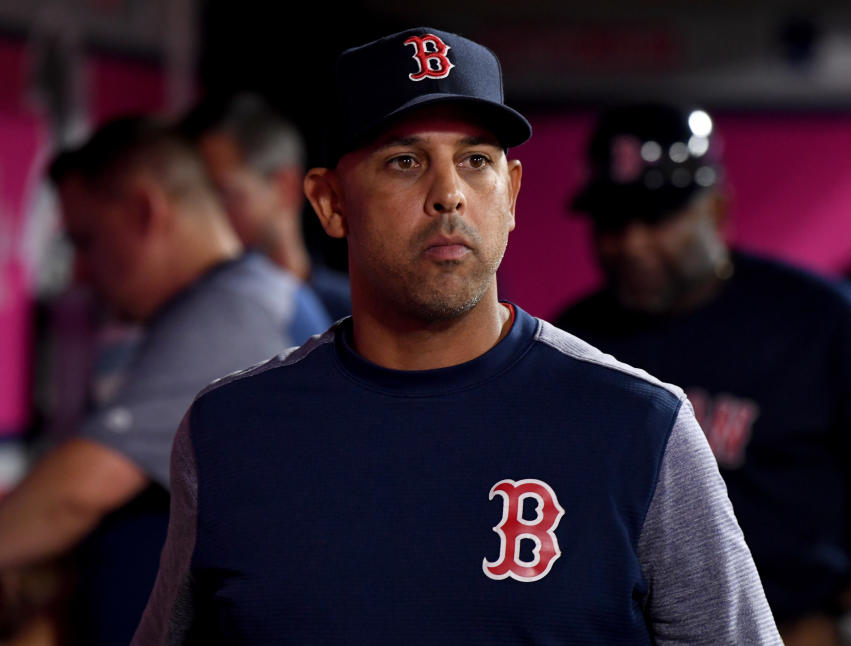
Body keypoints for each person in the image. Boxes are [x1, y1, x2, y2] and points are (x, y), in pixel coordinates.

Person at [135, 28, 781, 644]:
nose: (448, 193)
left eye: (475, 160)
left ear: (512, 195)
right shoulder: (229, 430)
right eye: (404, 161)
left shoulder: (641, 426)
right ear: (330, 203)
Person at [555, 104, 851, 646]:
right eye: (612, 222)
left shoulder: (825, 322)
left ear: (717, 208)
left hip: (792, 623)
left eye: (657, 219)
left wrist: (844, 625)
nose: (632, 244)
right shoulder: (575, 343)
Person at [0, 117, 329, 645]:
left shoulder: (235, 308)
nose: (81, 273)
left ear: (144, 211)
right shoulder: (228, 299)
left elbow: (77, 492)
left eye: (86, 241)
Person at [185, 94, 351, 320]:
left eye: (223, 194)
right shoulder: (189, 318)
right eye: (196, 200)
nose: (204, 217)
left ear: (286, 188)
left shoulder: (358, 317)